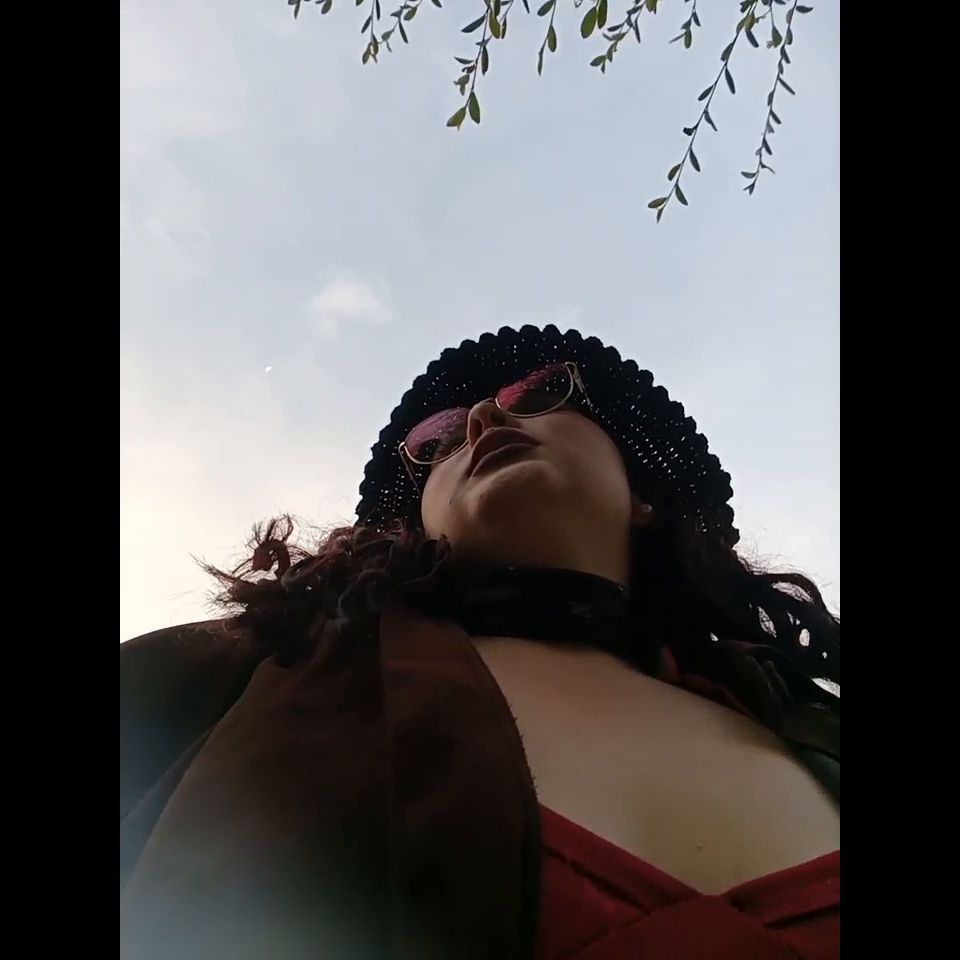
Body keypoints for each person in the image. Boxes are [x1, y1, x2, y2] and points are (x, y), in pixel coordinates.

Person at [120, 325, 840, 960]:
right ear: (417, 525)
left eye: (541, 393)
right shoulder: (253, 670)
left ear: (644, 495)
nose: (485, 419)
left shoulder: (804, 718)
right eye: (436, 443)